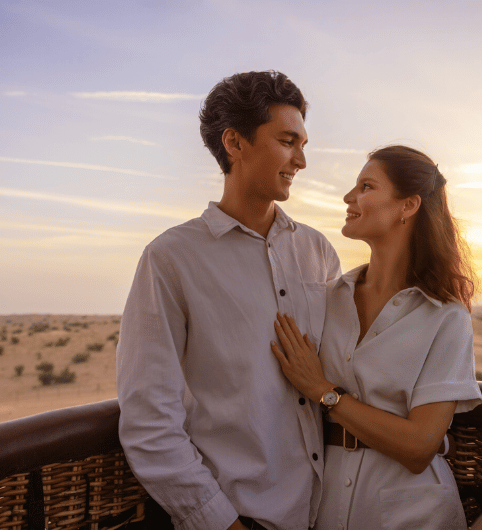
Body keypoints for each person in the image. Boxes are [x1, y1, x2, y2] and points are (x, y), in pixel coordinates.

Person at [116, 71, 341, 530]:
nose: (301, 160)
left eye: (303, 144)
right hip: (242, 517)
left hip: (332, 511)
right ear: (235, 143)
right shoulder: (170, 259)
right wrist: (218, 522)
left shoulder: (319, 252)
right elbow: (148, 419)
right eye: (287, 141)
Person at [270, 145, 482, 530]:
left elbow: (420, 446)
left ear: (408, 205)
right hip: (324, 504)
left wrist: (324, 390)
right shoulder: (326, 299)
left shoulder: (446, 316)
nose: (349, 198)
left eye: (366, 186)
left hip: (413, 512)